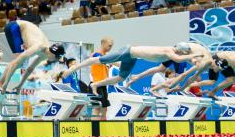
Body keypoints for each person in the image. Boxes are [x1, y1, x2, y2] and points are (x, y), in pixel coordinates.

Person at [62, 44, 202, 91]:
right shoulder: (170, 51)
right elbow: (179, 58)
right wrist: (195, 56)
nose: (187, 55)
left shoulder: (172, 56)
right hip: (128, 51)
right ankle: (73, 68)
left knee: (120, 77)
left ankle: (96, 85)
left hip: (132, 57)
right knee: (100, 59)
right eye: (186, 53)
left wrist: (137, 77)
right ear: (181, 51)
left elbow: (158, 69)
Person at [0, 20, 65, 92]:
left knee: (21, 62)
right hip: (15, 27)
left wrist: (20, 85)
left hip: (24, 30)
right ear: (53, 54)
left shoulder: (46, 54)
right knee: (19, 62)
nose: (57, 60)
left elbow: (30, 69)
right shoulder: (37, 47)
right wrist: (6, 84)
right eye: (57, 58)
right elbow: (14, 63)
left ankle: (0, 84)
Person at [89, 37, 114, 117]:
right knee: (97, 107)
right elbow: (103, 60)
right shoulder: (96, 54)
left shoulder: (105, 56)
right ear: (103, 44)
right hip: (96, 84)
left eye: (112, 46)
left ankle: (103, 127)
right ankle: (96, 128)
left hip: (103, 84)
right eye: (109, 45)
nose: (110, 48)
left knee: (104, 108)